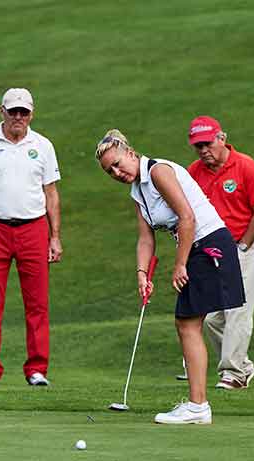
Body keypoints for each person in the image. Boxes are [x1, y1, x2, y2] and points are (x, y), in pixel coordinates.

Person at [94, 129, 245, 424]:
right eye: (109, 170)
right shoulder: (138, 191)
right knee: (187, 323)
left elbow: (187, 218)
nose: (116, 172)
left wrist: (180, 264)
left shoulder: (158, 171)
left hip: (209, 244)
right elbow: (145, 240)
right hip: (198, 248)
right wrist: (141, 273)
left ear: (130, 153)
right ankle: (197, 404)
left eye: (117, 163)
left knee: (187, 323)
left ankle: (198, 406)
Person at [0, 87, 63, 388]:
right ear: (1, 111)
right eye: (13, 111)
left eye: (24, 112)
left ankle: (37, 369)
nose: (18, 117)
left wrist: (55, 236)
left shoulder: (42, 145)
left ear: (31, 114)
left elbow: (51, 193)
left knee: (37, 303)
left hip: (33, 228)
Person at [186, 115, 254, 389]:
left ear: (222, 138)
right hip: (210, 251)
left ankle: (233, 373)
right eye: (198, 146)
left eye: (207, 144)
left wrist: (243, 246)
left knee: (238, 311)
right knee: (212, 318)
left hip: (241, 246)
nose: (203, 151)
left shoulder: (245, 166)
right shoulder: (194, 171)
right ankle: (244, 366)